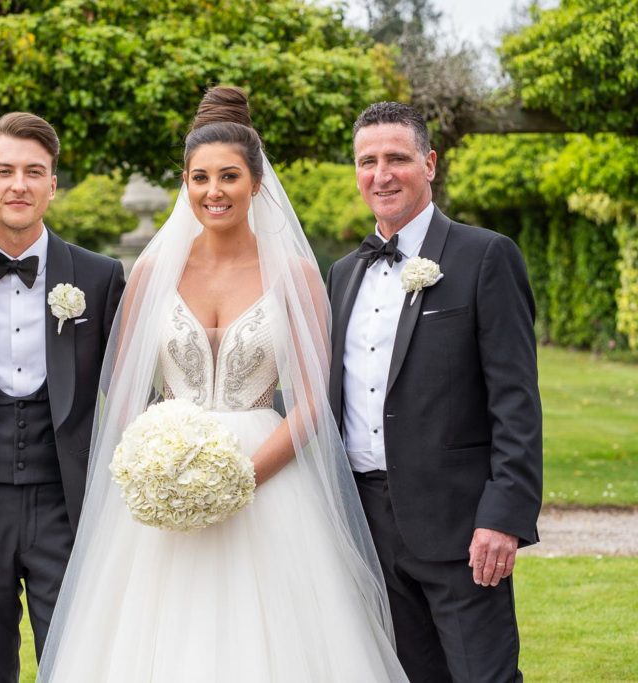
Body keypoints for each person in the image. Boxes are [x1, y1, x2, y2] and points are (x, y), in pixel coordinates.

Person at [37, 87, 408, 682]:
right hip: (165, 483)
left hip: (271, 486)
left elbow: (314, 401)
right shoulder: (152, 272)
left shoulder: (296, 275)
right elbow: (126, 390)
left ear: (255, 183)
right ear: (185, 184)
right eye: (200, 177)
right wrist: (154, 465)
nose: (214, 191)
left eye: (229, 176)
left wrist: (240, 479)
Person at [326, 101, 542, 682]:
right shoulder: (343, 274)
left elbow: (516, 402)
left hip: (460, 526)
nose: (381, 174)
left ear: (429, 163)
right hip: (367, 524)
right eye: (367, 161)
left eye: (396, 158)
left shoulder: (486, 256)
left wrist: (503, 517)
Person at [0, 112, 126, 683]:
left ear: (52, 185)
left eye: (34, 172)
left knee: (76, 667)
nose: (19, 185)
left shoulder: (100, 277)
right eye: (5, 171)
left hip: (68, 508)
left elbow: (132, 391)